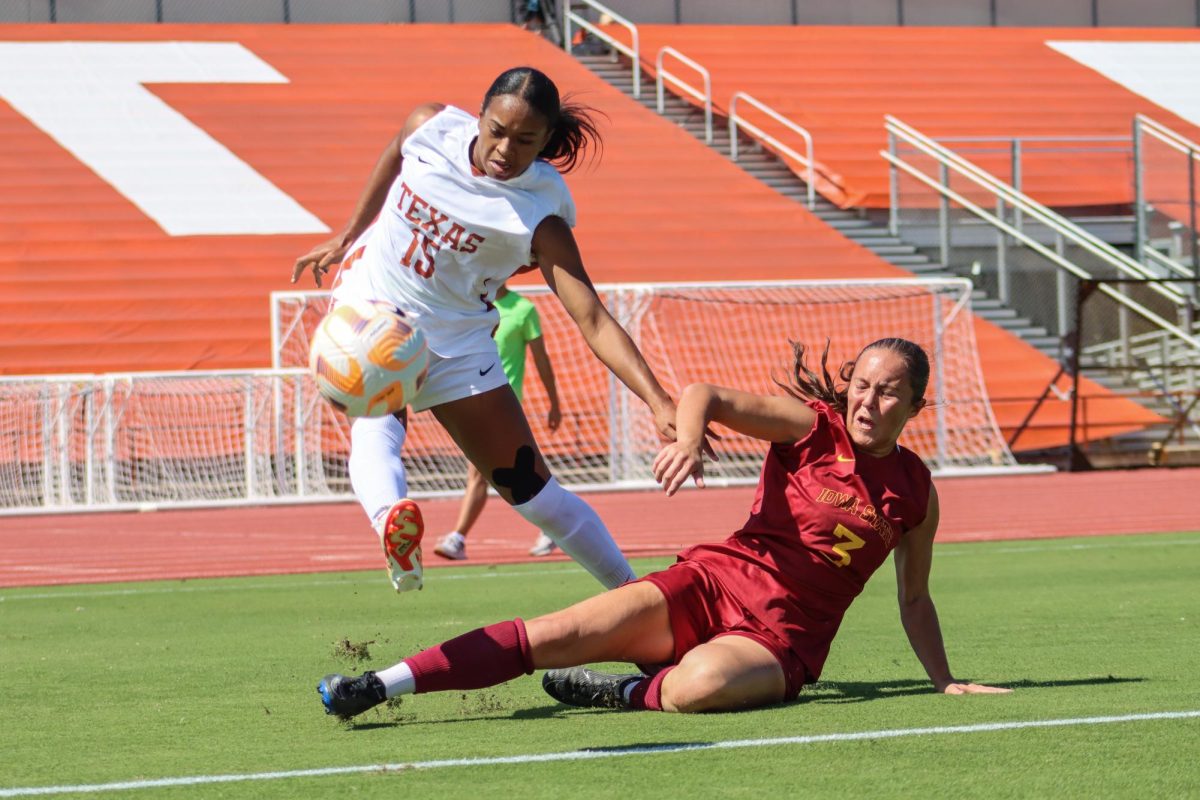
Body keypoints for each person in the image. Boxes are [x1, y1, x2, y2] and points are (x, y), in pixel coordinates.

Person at [317, 338, 1012, 719]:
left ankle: (619, 690)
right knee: (553, 636)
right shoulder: (811, 427)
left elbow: (914, 598)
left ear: (915, 404)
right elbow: (701, 395)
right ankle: (377, 685)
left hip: (780, 641)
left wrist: (944, 681)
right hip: (708, 584)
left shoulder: (916, 491)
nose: (869, 398)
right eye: (862, 382)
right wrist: (687, 439)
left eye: (889, 389)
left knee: (695, 688)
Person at [292, 67, 692, 594]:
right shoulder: (430, 127)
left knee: (533, 492)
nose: (505, 149)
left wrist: (659, 400)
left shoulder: (541, 214)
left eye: (526, 140)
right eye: (497, 130)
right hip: (375, 304)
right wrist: (347, 235)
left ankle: (636, 598)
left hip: (457, 342)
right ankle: (392, 521)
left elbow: (591, 317)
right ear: (477, 116)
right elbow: (396, 150)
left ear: (547, 140)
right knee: (373, 401)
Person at [433, 281, 563, 561]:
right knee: (515, 472)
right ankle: (554, 526)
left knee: (480, 473)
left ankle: (458, 538)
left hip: (504, 404)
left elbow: (541, 358)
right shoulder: (471, 305)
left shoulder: (523, 310)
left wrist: (554, 402)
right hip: (472, 399)